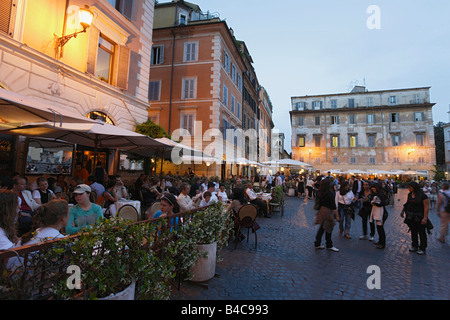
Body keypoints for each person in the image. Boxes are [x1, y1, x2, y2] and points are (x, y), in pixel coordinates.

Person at [401, 181, 429, 255]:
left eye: (409, 187)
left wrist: (425, 218)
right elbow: (407, 204)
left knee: (421, 232)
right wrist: (403, 211)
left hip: (420, 216)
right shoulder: (410, 194)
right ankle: (415, 245)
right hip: (411, 217)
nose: (408, 189)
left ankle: (422, 247)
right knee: (413, 232)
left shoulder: (423, 196)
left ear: (414, 187)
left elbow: (426, 208)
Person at [314, 178, 339, 252]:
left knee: (321, 228)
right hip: (327, 212)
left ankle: (317, 243)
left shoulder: (319, 192)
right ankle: (329, 245)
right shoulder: (330, 193)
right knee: (328, 228)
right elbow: (333, 206)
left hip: (321, 211)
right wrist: (337, 215)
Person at [370, 183, 388, 249]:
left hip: (381, 213)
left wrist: (374, 203)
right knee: (378, 227)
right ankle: (380, 241)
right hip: (378, 212)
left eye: (374, 187)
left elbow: (382, 203)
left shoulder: (380, 194)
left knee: (380, 228)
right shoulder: (376, 194)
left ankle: (382, 243)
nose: (372, 189)